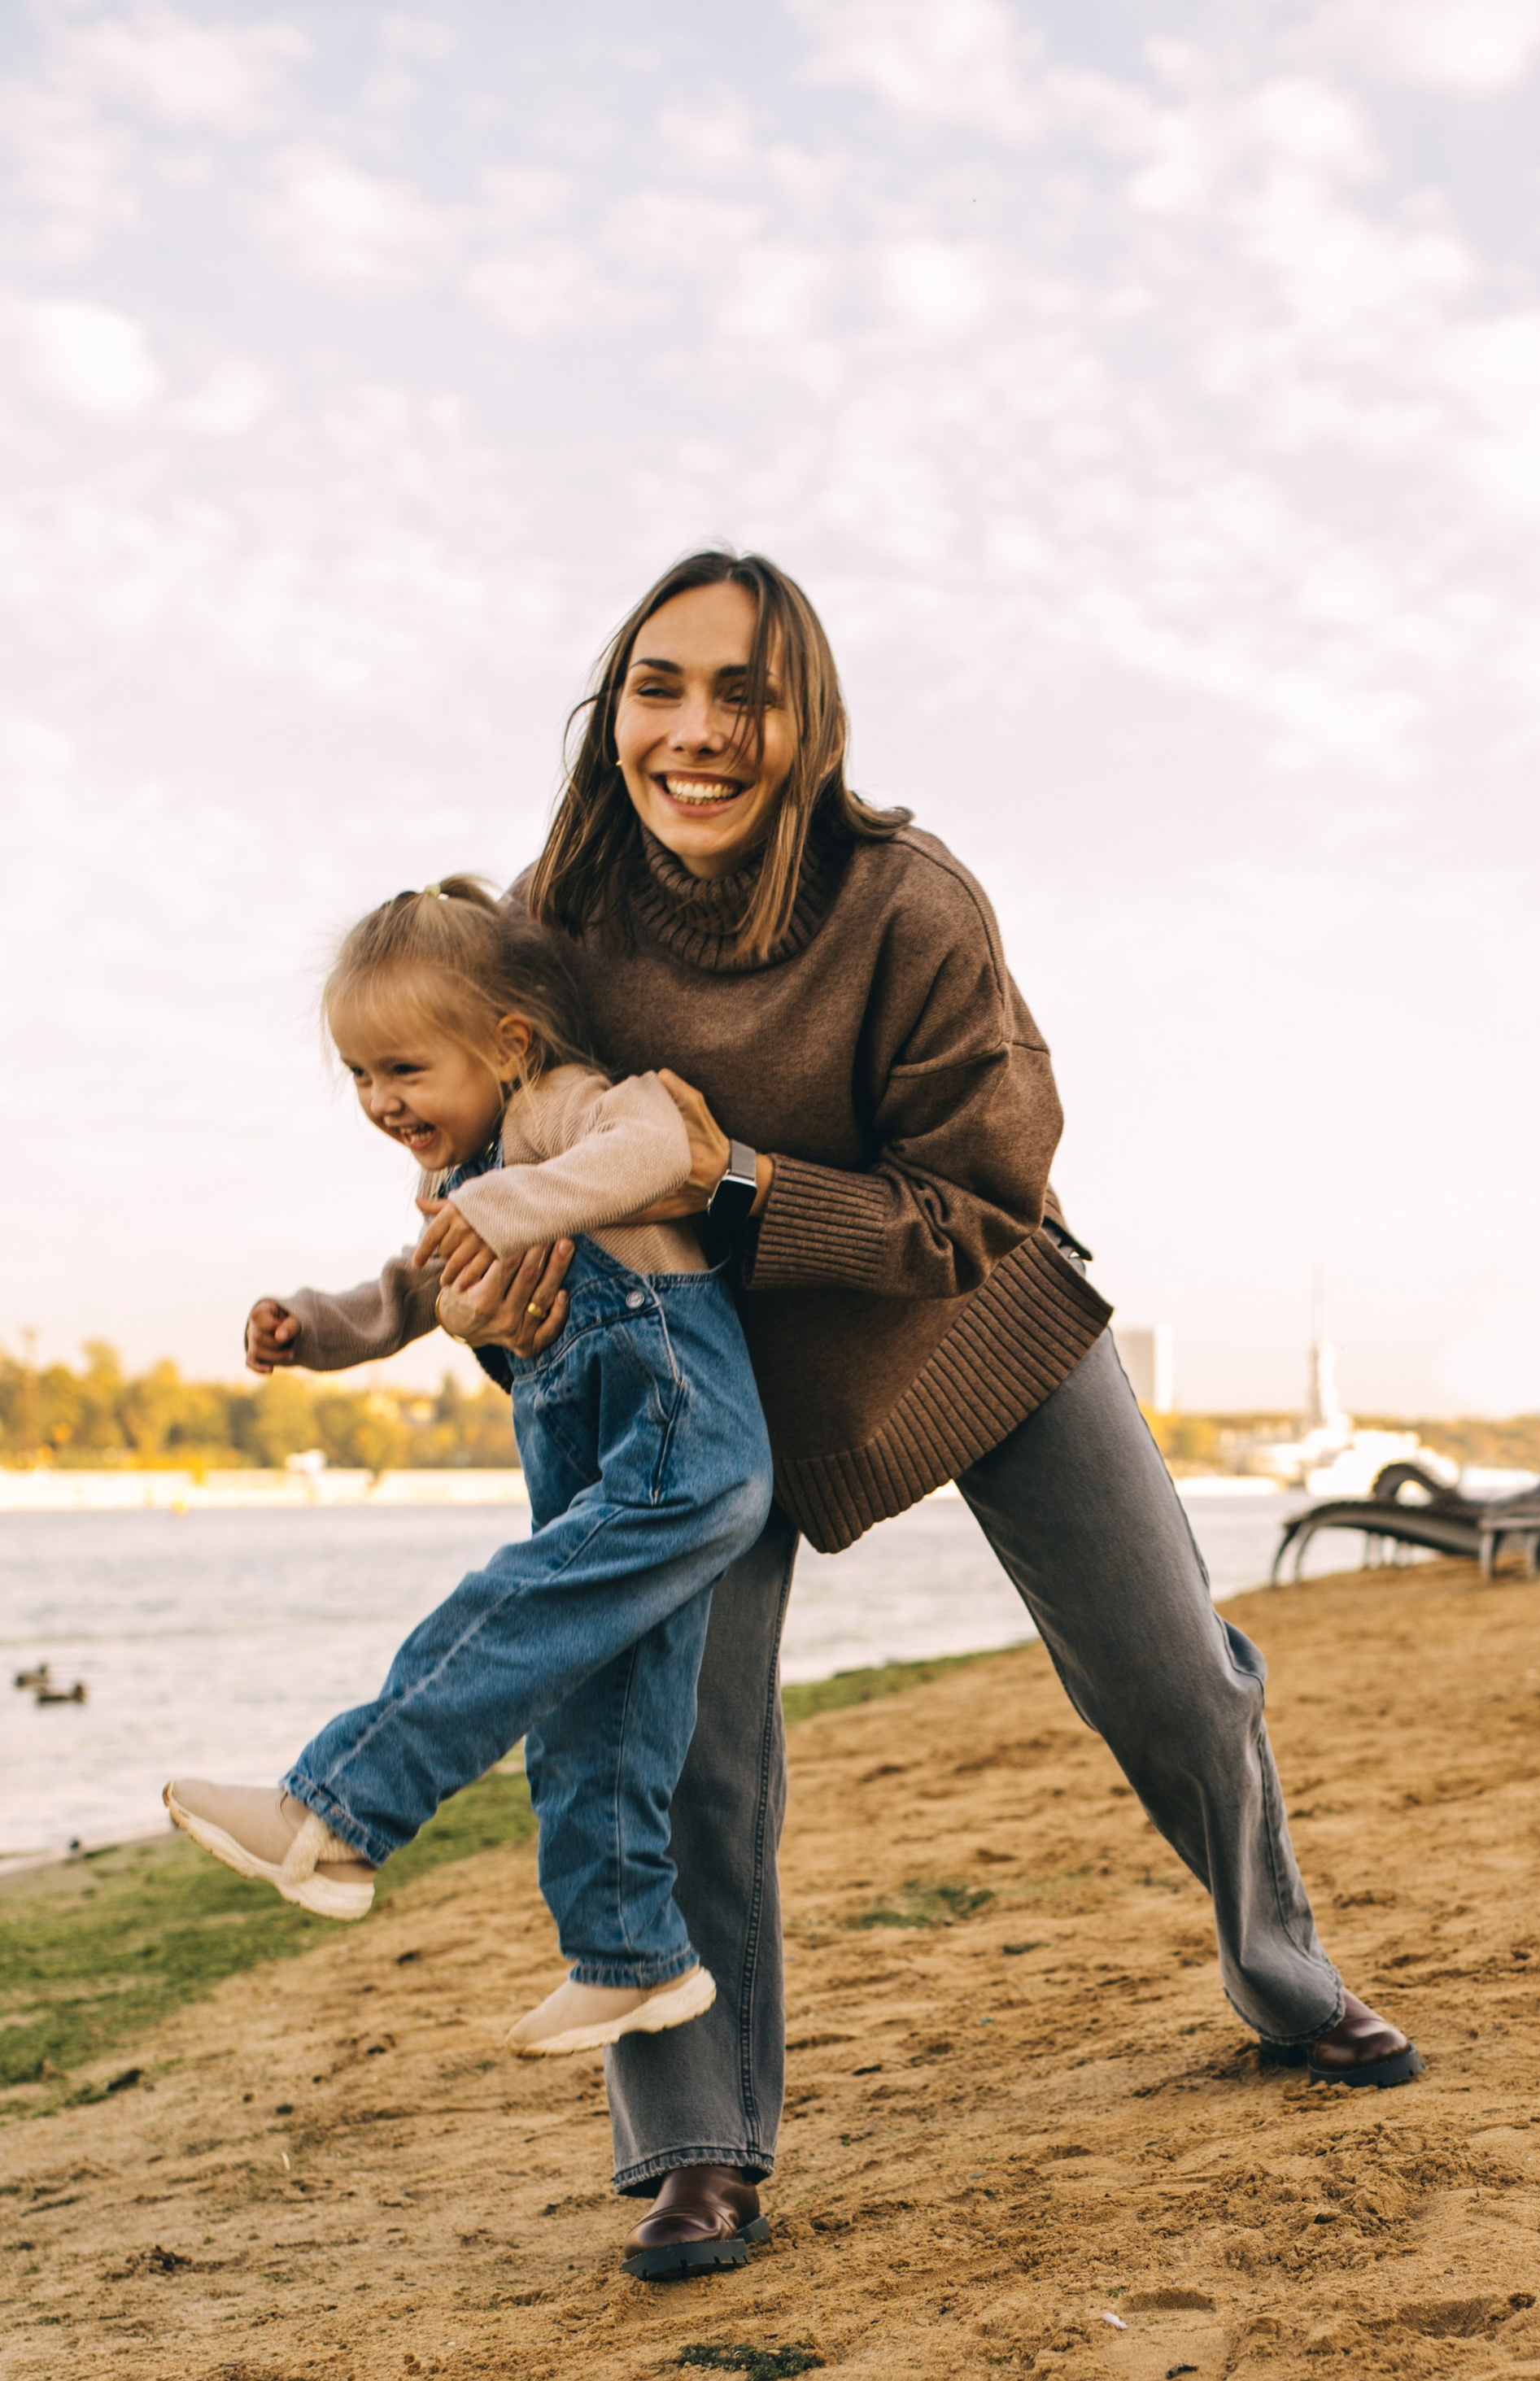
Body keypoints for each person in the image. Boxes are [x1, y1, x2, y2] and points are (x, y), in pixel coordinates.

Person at [447, 549, 1423, 2279]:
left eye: (742, 693)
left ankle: (1284, 1973)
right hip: (703, 1383)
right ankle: (698, 2149)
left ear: (807, 722)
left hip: (975, 1330)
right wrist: (496, 1303)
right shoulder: (551, 935)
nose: (695, 731)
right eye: (657, 689)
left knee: (1176, 1676)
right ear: (612, 719)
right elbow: (482, 1160)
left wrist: (731, 1173)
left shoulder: (908, 903)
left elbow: (980, 1201)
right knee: (679, 1752)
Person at [164, 877, 773, 2070]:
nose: (381, 1102)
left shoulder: (555, 1108)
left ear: (503, 1045)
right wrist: (314, 1326)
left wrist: (507, 1201)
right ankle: (630, 1956)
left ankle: (333, 1813)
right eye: (358, 1078)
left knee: (505, 1615)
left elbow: (657, 1141)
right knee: (596, 1711)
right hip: (600, 1459)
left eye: (404, 1069)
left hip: (678, 1438)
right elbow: (407, 1292)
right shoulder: (458, 1185)